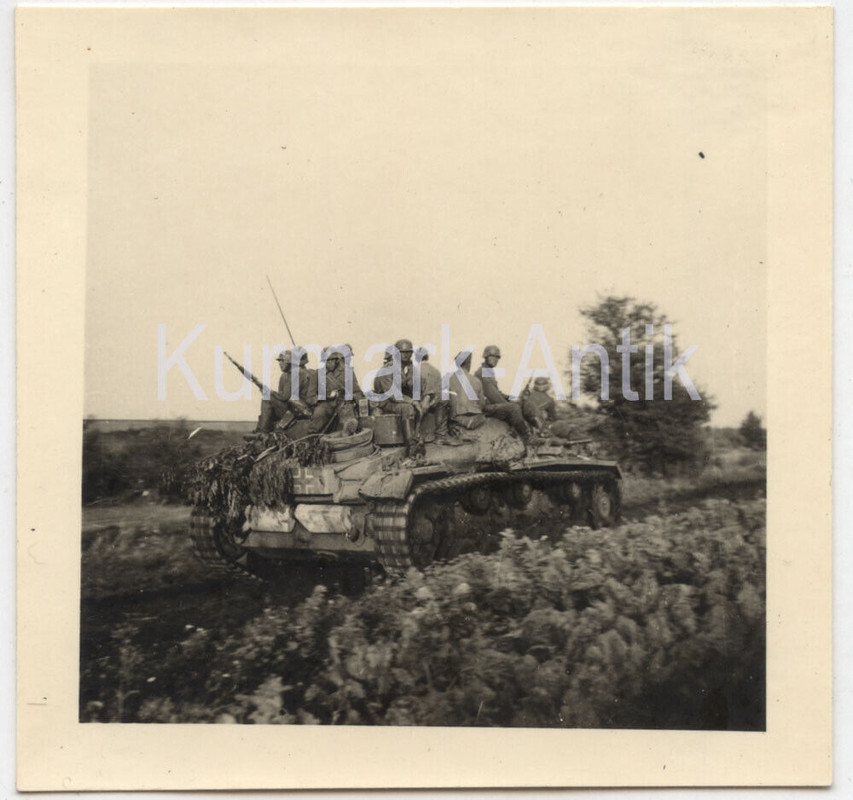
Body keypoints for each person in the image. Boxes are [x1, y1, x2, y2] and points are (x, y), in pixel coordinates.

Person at [250, 349, 314, 435]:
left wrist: (269, 392)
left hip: (299, 409)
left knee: (267, 398)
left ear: (289, 362)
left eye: (282, 361)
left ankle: (263, 430)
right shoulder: (286, 375)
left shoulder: (297, 373)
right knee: (269, 398)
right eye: (279, 361)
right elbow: (281, 395)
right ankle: (264, 429)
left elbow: (285, 397)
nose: (280, 364)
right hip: (292, 407)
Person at [373, 339, 419, 455]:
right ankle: (411, 445)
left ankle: (418, 438)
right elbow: (393, 394)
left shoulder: (406, 368)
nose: (406, 355)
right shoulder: (388, 369)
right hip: (385, 402)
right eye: (403, 352)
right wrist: (412, 402)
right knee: (407, 408)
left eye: (409, 352)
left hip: (397, 400)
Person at [472, 345, 530, 438]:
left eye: (497, 357)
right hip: (484, 406)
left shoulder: (488, 371)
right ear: (485, 356)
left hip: (490, 404)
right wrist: (509, 404)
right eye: (492, 356)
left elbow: (497, 392)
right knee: (514, 408)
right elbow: (493, 396)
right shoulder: (482, 372)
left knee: (518, 404)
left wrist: (512, 398)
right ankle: (526, 437)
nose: (495, 359)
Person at [308, 345, 363, 436]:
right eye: (326, 361)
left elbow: (357, 392)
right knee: (319, 414)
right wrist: (326, 396)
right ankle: (312, 438)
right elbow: (310, 398)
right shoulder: (317, 374)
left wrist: (351, 398)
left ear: (337, 360)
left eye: (332, 360)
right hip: (326, 404)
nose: (329, 363)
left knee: (347, 415)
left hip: (343, 403)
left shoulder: (347, 372)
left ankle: (347, 432)